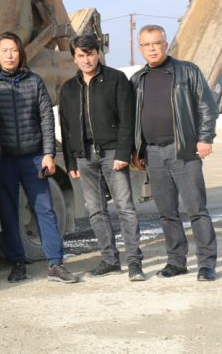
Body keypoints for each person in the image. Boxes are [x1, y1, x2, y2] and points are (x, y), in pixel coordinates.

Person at [0, 31, 79, 284]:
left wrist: (48, 154)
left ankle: (55, 264)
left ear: (21, 53)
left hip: (33, 157)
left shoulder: (33, 81)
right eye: (4, 50)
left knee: (44, 209)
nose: (10, 55)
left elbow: (46, 118)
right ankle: (17, 263)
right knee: (8, 212)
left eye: (14, 50)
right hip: (4, 161)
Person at [131, 25, 219, 281]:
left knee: (196, 209)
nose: (152, 48)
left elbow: (207, 107)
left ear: (165, 44)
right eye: (146, 45)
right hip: (153, 154)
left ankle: (206, 264)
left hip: (183, 151)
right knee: (167, 212)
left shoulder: (187, 71)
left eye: (156, 43)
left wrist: (205, 138)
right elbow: (133, 118)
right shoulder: (138, 79)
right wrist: (136, 150)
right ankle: (176, 261)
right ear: (140, 49)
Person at [58, 34, 144, 281]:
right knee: (95, 211)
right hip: (84, 157)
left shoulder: (116, 79)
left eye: (90, 54)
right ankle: (109, 260)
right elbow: (65, 127)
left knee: (125, 208)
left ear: (98, 53)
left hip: (111, 153)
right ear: (74, 58)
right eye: (81, 56)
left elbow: (127, 118)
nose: (86, 60)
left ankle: (134, 262)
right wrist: (71, 161)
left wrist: (122, 153)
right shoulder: (69, 89)